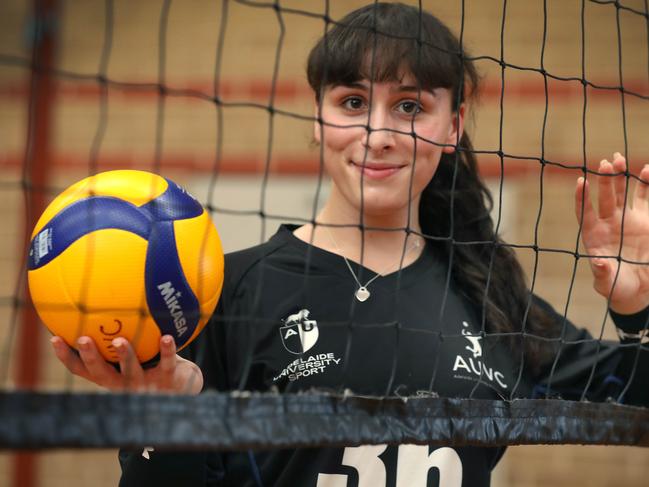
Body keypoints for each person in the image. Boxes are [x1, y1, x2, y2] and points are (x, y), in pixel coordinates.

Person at [50, 3, 649, 486]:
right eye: (353, 102)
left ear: (453, 126)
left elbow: (634, 396)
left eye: (410, 106)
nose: (379, 134)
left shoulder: (492, 297)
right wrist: (169, 418)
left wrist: (636, 306)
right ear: (317, 116)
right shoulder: (224, 295)